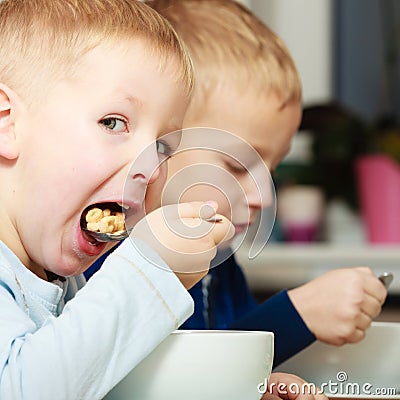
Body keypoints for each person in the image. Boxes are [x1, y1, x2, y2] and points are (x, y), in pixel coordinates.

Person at [0, 0, 234, 399]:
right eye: (113, 123)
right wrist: (148, 272)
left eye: (163, 146)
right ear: (7, 124)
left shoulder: (62, 279)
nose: (152, 167)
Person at [142, 0, 388, 367]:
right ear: (156, 148)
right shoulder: (110, 263)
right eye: (238, 166)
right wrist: (298, 315)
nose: (262, 196)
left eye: (270, 170)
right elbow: (162, 376)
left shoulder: (220, 265)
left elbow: (234, 372)